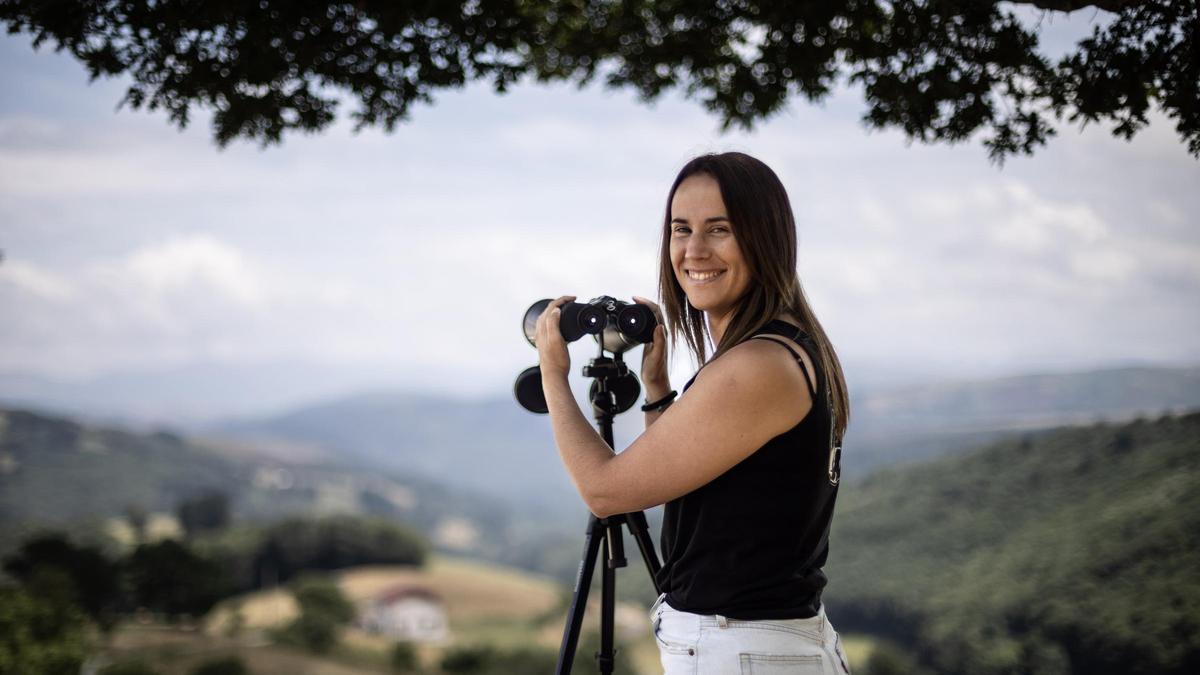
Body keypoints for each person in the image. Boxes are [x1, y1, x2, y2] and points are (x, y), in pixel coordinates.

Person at [534, 151, 852, 674]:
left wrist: (553, 374)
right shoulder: (783, 347)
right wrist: (658, 390)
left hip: (742, 651)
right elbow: (684, 481)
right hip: (762, 648)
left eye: (720, 229)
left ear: (766, 238)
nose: (694, 250)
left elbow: (605, 492)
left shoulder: (756, 365)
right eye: (681, 229)